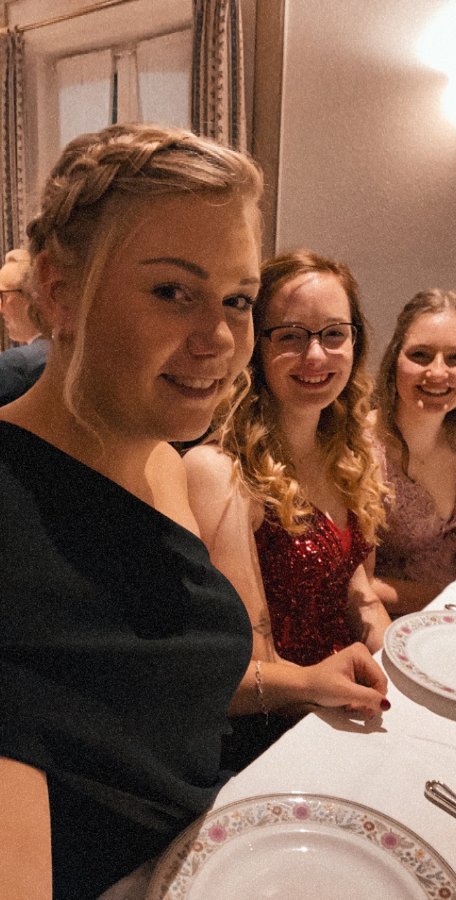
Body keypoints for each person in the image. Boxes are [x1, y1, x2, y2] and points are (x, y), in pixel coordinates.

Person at [0, 129, 388, 900]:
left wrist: (302, 681)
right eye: (172, 291)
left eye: (237, 300)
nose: (219, 339)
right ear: (59, 291)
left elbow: (160, 682)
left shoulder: (160, 459)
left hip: (222, 844)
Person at [184, 250, 391, 763]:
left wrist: (402, 663)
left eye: (334, 334)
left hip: (348, 706)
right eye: (292, 336)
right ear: (256, 345)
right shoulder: (220, 472)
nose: (316, 355)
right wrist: (333, 697)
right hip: (276, 737)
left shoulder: (349, 451)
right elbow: (246, 671)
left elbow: (359, 594)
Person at [369, 288, 456, 616]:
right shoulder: (363, 444)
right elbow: (358, 585)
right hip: (393, 609)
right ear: (395, 358)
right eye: (421, 355)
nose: (438, 372)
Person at [0, 247, 50, 404]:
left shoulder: (17, 363)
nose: (0, 308)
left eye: (2, 296)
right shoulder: (69, 350)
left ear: (29, 296)